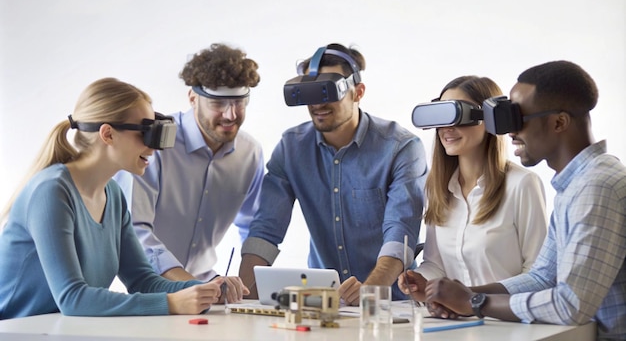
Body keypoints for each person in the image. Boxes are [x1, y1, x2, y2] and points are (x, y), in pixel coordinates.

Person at [0, 78, 248, 319]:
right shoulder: (51, 191)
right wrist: (171, 303)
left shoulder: (113, 195)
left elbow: (143, 280)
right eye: (146, 133)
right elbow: (72, 298)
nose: (154, 148)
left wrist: (206, 290)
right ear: (107, 134)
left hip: (58, 332)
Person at [424, 61, 626, 340]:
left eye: (519, 119)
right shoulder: (575, 186)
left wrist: (474, 303)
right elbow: (542, 278)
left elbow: (571, 305)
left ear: (558, 122)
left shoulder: (598, 187)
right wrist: (462, 294)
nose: (509, 132)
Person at [237, 43, 428, 305]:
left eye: (328, 91)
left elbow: (400, 232)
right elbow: (266, 229)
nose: (318, 103)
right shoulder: (291, 148)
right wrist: (243, 297)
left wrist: (369, 293)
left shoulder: (401, 147)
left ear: (358, 92)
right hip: (324, 304)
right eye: (310, 92)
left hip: (391, 304)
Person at [113, 44, 263, 300]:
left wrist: (245, 289)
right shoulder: (154, 145)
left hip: (208, 289)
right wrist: (188, 284)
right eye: (217, 103)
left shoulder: (250, 153)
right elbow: (133, 230)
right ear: (193, 98)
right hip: (152, 291)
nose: (231, 115)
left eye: (239, 102)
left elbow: (253, 227)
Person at [398, 76, 548, 300]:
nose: (447, 128)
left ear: (489, 119)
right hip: (454, 325)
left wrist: (473, 298)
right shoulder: (437, 189)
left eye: (458, 116)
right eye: (441, 117)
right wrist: (421, 280)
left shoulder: (522, 185)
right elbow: (435, 265)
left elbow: (539, 275)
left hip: (506, 324)